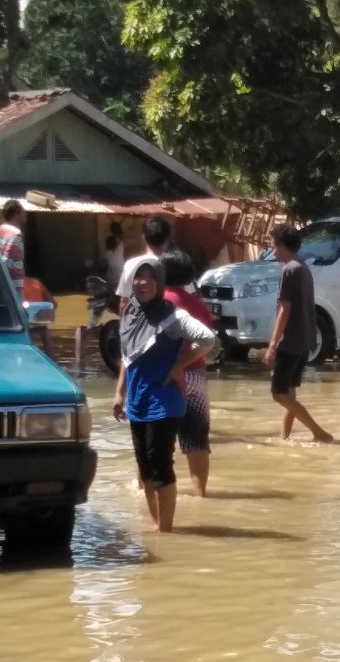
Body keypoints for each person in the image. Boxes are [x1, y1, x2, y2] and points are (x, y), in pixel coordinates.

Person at [112, 256, 216, 532]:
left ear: (159, 281)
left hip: (165, 401)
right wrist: (119, 393)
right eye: (138, 276)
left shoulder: (173, 315)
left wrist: (179, 365)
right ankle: (158, 526)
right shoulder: (131, 313)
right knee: (144, 470)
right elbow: (127, 357)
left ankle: (166, 531)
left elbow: (208, 339)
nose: (142, 282)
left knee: (160, 467)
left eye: (149, 277)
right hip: (137, 400)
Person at [263, 223, 332, 443]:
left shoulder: (289, 270)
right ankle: (285, 438)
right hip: (304, 341)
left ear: (282, 245)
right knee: (290, 394)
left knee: (278, 394)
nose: (272, 250)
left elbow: (285, 309)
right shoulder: (302, 267)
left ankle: (319, 432)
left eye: (274, 245)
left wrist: (273, 345)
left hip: (290, 342)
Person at [161, 249, 215, 497]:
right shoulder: (196, 303)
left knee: (156, 441)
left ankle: (147, 491)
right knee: (197, 440)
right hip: (195, 376)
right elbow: (207, 341)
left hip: (165, 377)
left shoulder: (159, 300)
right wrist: (186, 364)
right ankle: (200, 494)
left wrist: (177, 366)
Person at [116, 217, 172, 304]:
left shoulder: (131, 264)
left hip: (138, 316)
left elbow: (124, 301)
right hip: (170, 316)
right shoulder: (175, 265)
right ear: (168, 240)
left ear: (144, 238)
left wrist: (124, 318)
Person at [0, 199, 27, 300]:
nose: (25, 214)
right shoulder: (16, 234)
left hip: (1, 284)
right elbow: (7, 260)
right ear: (17, 214)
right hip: (13, 284)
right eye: (23, 212)